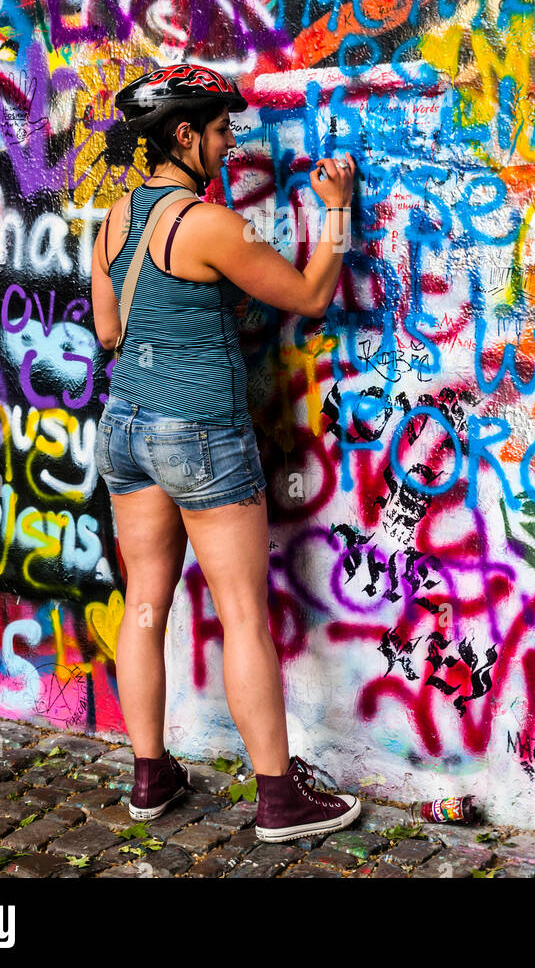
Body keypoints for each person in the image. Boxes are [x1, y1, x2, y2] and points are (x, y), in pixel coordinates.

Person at [90, 63, 361, 842]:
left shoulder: (113, 220)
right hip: (199, 429)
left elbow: (110, 332)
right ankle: (278, 798)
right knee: (242, 610)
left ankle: (150, 777)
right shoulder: (205, 224)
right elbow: (310, 295)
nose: (230, 141)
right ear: (184, 137)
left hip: (126, 428)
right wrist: (335, 212)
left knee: (145, 602)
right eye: (219, 130)